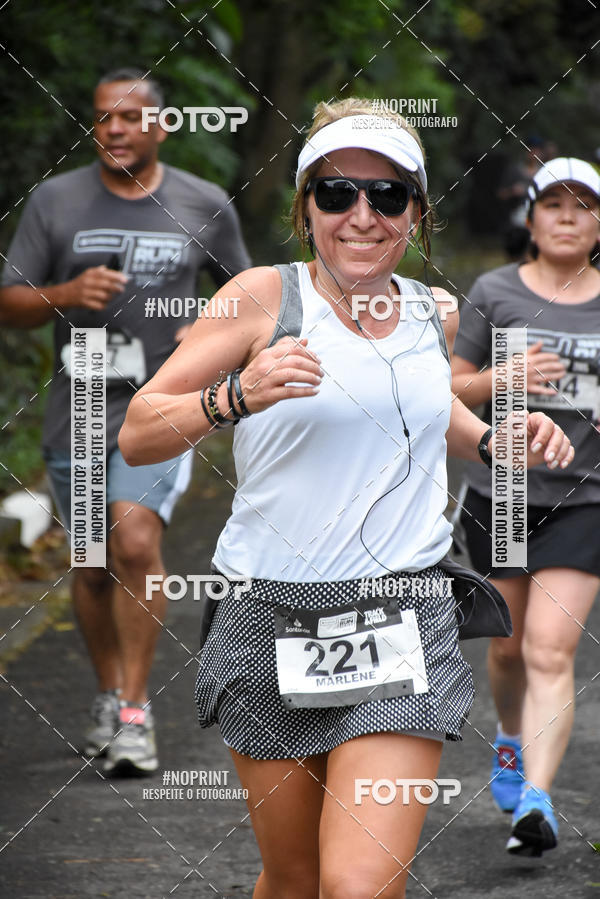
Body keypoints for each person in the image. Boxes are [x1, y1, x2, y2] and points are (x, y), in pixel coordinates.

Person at [119, 100, 573, 897]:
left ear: (416, 212)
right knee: (294, 881)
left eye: (387, 195)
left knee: (359, 884)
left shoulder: (433, 312)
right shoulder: (263, 297)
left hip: (402, 614)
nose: (361, 215)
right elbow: (137, 431)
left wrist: (500, 437)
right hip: (269, 614)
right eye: (337, 194)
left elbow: (431, 410)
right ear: (306, 207)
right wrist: (235, 396)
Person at [0, 67, 251, 774]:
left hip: (163, 401)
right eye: (103, 117)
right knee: (91, 561)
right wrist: (66, 292)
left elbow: (248, 298)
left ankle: (137, 713)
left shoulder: (203, 203)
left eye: (129, 117)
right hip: (80, 401)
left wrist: (207, 343)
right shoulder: (57, 200)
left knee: (135, 539)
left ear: (160, 126)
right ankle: (109, 694)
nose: (114, 129)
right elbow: (9, 302)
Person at [452, 157, 600, 856]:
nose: (569, 216)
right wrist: (502, 377)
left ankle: (536, 800)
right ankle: (509, 741)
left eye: (584, 205)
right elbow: (447, 392)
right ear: (532, 218)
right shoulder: (495, 291)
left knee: (550, 646)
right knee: (508, 648)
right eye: (555, 204)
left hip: (586, 497)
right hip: (503, 493)